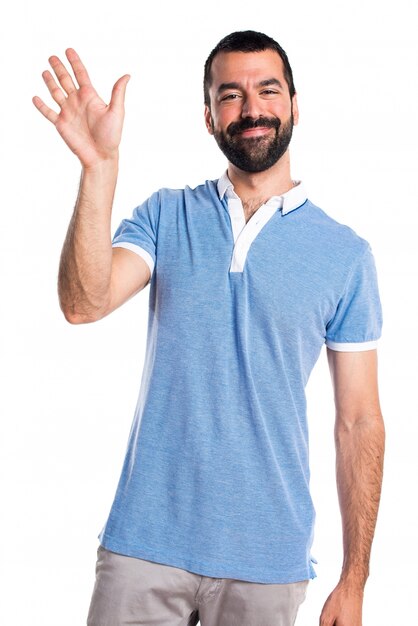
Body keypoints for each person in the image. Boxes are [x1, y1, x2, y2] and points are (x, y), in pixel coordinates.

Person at [33, 30, 385, 626]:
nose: (251, 109)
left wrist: (354, 580)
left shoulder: (345, 255)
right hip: (144, 545)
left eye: (267, 90)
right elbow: (83, 302)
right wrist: (99, 168)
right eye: (230, 95)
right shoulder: (166, 216)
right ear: (208, 117)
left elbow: (359, 420)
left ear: (294, 106)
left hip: (269, 559)